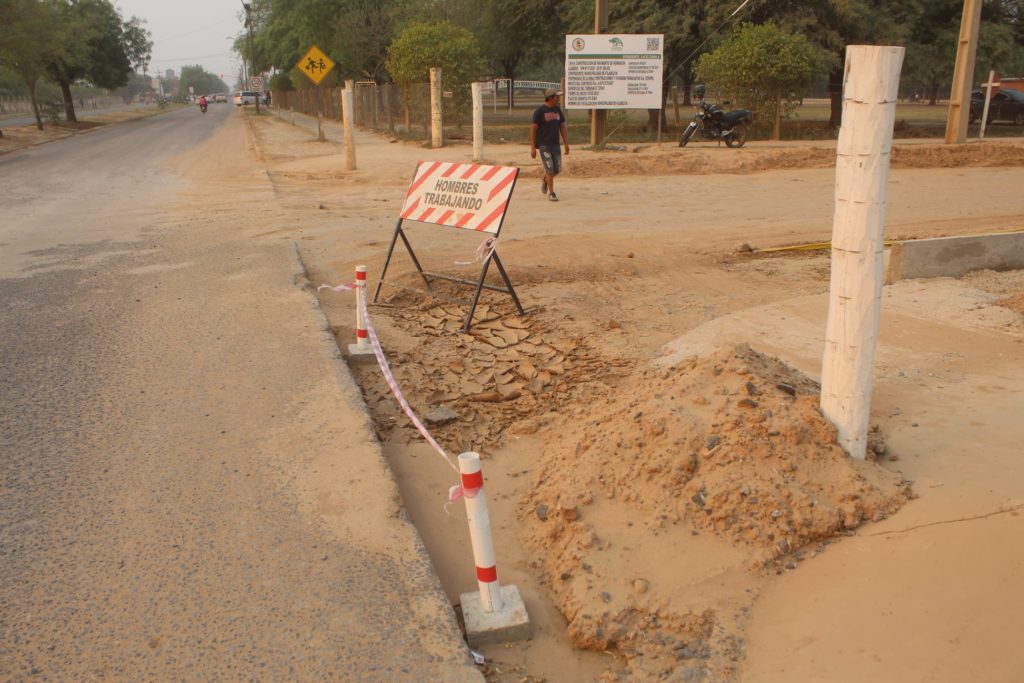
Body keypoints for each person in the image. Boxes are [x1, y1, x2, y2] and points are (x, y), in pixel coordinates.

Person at [530, 88, 569, 202]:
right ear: (551, 98)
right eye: (557, 97)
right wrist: (533, 147)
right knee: (550, 169)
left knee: (558, 169)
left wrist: (566, 143)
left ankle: (546, 179)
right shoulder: (540, 111)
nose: (559, 98)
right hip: (544, 145)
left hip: (555, 145)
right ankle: (551, 193)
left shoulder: (557, 110)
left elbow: (562, 126)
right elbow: (533, 130)